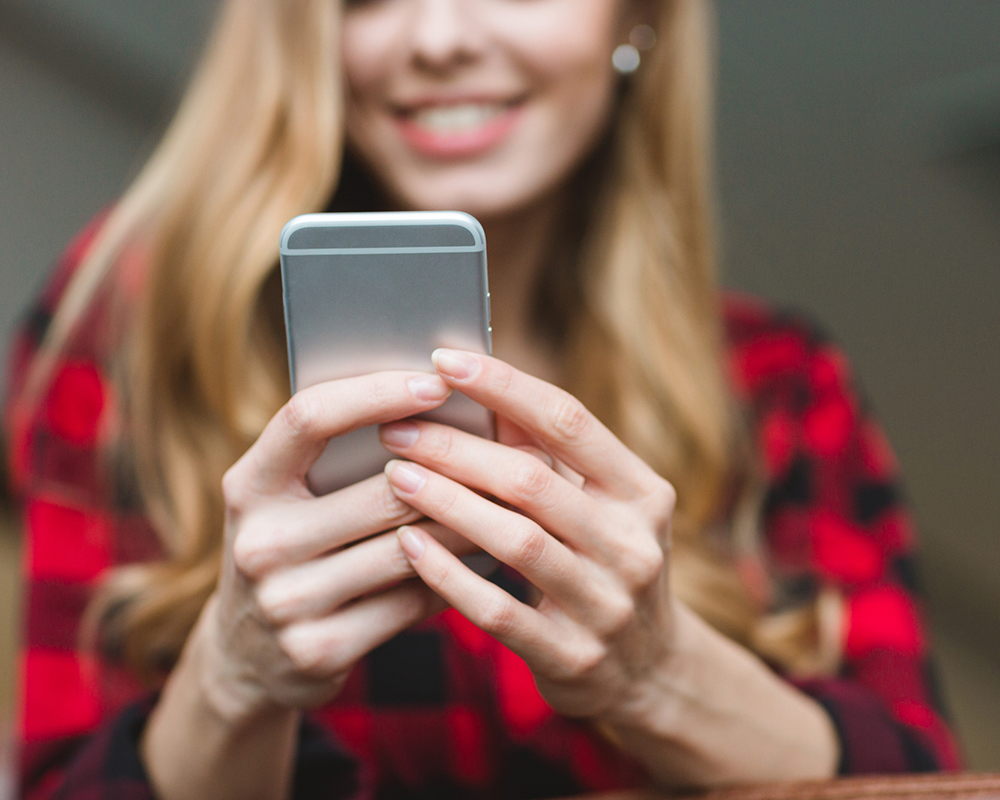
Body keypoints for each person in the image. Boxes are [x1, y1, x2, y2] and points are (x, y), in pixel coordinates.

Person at [6, 1, 960, 798]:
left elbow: (926, 780)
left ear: (639, 17)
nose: (438, 37)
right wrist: (234, 679)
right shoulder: (135, 329)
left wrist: (657, 673)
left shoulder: (780, 384)